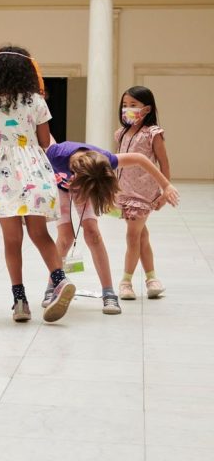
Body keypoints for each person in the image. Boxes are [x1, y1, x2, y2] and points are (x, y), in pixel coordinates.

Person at [0, 45, 71, 323]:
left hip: (0, 171)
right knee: (40, 234)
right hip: (33, 169)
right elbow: (43, 139)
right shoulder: (36, 100)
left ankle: (19, 301)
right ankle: (59, 280)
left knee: (12, 240)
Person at [44, 141, 179, 314]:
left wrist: (166, 185)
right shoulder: (56, 154)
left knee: (93, 234)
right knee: (65, 238)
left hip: (85, 186)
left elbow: (139, 158)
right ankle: (52, 287)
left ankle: (108, 293)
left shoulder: (104, 160)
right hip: (59, 188)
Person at [115, 86, 173, 300]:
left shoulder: (153, 134)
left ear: (146, 109)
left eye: (133, 105)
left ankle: (126, 281)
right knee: (141, 236)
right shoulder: (120, 133)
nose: (127, 109)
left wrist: (165, 191)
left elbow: (164, 164)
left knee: (132, 236)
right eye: (124, 105)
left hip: (143, 195)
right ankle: (152, 278)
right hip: (124, 193)